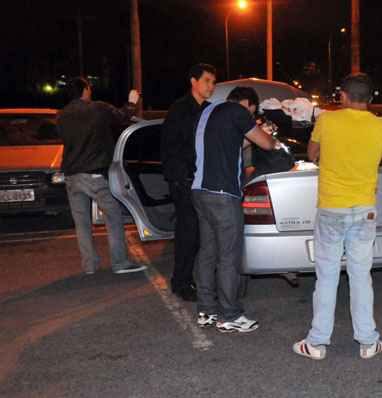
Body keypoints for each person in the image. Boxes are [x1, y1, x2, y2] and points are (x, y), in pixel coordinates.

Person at [292, 73, 382, 360]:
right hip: (365, 209)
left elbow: (312, 154)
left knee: (327, 277)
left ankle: (317, 342)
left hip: (332, 207)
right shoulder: (381, 126)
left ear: (344, 96)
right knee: (361, 276)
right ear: (369, 98)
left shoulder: (327, 121)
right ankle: (368, 341)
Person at [192, 87, 278, 333]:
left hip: (199, 191)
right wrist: (268, 134)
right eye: (253, 111)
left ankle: (206, 310)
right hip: (223, 194)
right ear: (248, 105)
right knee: (229, 256)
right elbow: (266, 144)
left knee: (207, 252)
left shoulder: (207, 111)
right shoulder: (238, 112)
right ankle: (230, 315)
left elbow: (229, 144)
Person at [57, 77, 147, 275]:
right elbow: (122, 117)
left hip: (72, 176)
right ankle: (120, 262)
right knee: (113, 216)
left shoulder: (62, 115)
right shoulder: (97, 108)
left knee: (82, 224)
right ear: (85, 90)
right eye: (89, 88)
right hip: (95, 175)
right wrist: (132, 102)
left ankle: (90, 265)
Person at [160, 63, 217, 302]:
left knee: (201, 233)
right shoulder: (180, 109)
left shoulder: (208, 109)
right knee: (188, 233)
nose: (211, 86)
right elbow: (174, 147)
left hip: (200, 180)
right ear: (193, 81)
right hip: (184, 181)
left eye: (213, 82)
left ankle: (194, 280)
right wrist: (181, 178)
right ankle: (181, 282)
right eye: (207, 81)